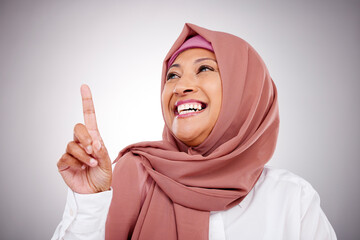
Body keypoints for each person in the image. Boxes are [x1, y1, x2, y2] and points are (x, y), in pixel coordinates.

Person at [52, 23, 337, 239]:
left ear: (246, 92)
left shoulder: (291, 199)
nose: (179, 86)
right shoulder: (134, 176)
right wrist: (89, 201)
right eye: (172, 75)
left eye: (205, 69)